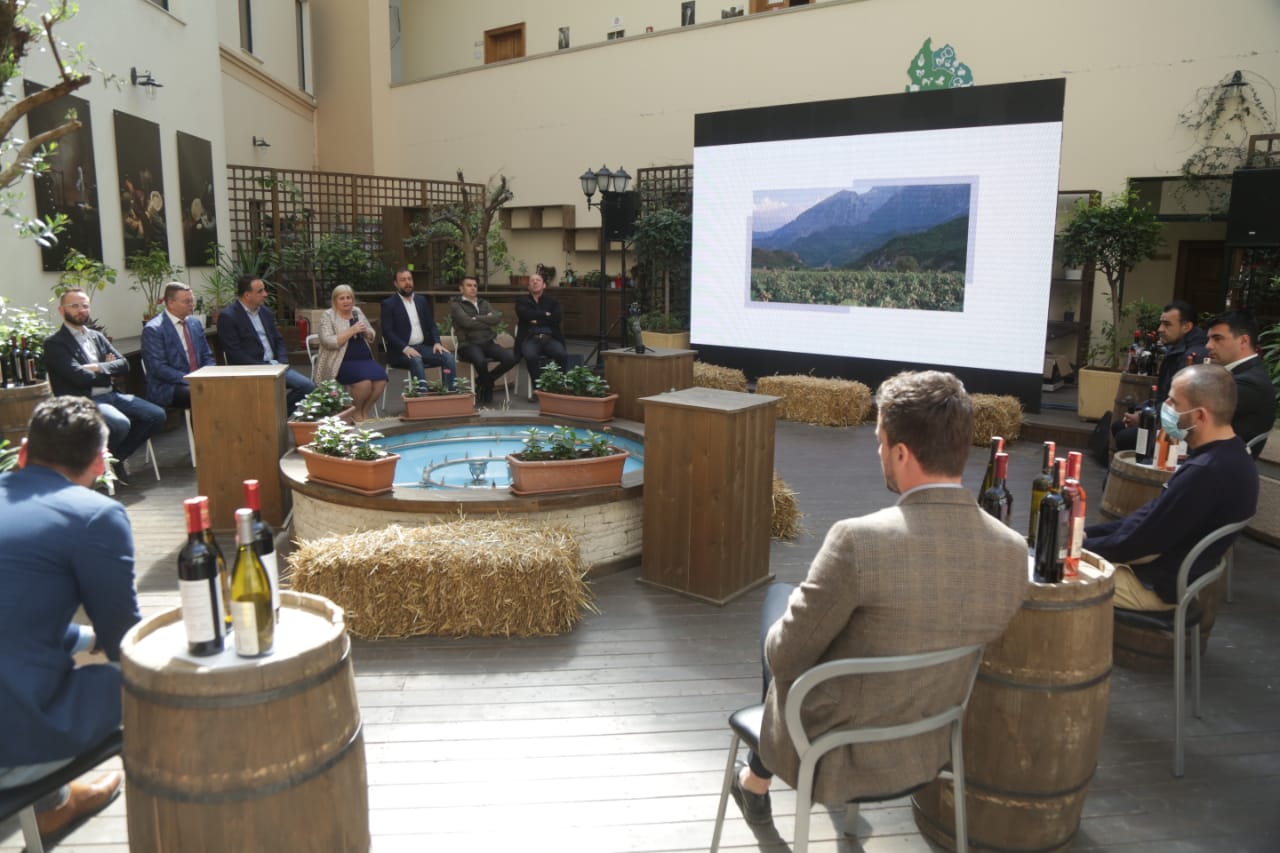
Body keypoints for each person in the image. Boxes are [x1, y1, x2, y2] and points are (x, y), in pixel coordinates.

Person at [729, 371, 1028, 826]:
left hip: (834, 751)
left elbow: (784, 658)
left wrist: (797, 619)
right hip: (930, 745)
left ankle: (756, 780)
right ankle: (755, 780)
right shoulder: (1011, 550)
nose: (878, 453)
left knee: (779, 601)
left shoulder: (858, 541)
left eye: (880, 442)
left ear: (902, 453)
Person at [0, 397, 141, 840]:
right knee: (155, 684)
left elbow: (16, 616)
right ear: (100, 463)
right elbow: (125, 642)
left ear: (24, 452)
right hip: (10, 747)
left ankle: (54, 804)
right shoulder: (94, 516)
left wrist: (83, 638)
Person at [1085, 364, 1259, 611]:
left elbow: (1141, 546)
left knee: (1045, 574)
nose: (1165, 407)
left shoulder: (1205, 473)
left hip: (1152, 586)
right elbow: (1148, 518)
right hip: (1167, 576)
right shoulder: (1233, 452)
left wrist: (1075, 547)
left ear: (1200, 415)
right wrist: (1088, 534)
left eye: (1174, 402)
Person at [42, 288, 165, 480]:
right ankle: (104, 463)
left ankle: (115, 458)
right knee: (120, 424)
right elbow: (78, 377)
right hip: (83, 400)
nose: (81, 310)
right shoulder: (55, 343)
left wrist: (97, 367)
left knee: (156, 415)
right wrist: (108, 370)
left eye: (85, 306)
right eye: (74, 306)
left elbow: (124, 365)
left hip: (111, 394)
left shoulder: (96, 336)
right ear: (61, 310)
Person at [1114, 301, 1208, 452]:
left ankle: (1143, 464)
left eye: (1167, 324)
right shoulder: (1178, 349)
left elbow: (1180, 403)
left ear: (1186, 327)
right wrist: (1141, 410)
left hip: (1180, 431)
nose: (1160, 329)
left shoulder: (1192, 356)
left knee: (1125, 436)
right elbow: (1163, 394)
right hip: (1165, 416)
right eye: (1161, 323)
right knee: (1120, 426)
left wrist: (1145, 417)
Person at [216, 275, 315, 413]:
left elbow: (278, 340)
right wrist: (263, 367)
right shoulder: (229, 316)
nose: (265, 294)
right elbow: (234, 352)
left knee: (308, 387)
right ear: (247, 295)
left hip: (276, 366)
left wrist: (282, 362)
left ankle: (278, 415)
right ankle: (274, 417)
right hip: (250, 369)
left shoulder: (265, 312)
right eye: (260, 291)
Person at [1205, 310, 1276, 457]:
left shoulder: (1249, 382)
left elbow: (1193, 413)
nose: (1208, 345)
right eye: (1209, 339)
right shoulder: (1241, 374)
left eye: (1217, 339)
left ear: (1243, 341)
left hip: (1220, 464)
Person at [315, 284, 387, 421]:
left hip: (364, 358)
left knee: (381, 380)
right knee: (364, 383)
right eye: (342, 298)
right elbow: (327, 341)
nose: (346, 301)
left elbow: (372, 333)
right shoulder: (328, 315)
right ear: (335, 300)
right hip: (340, 360)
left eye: (349, 298)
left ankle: (364, 411)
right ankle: (355, 411)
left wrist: (367, 332)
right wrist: (351, 331)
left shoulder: (357, 311)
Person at [141, 282, 216, 408]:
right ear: (171, 303)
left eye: (192, 300)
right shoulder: (154, 329)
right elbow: (159, 368)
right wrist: (191, 379)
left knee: (228, 387)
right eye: (187, 302)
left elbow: (206, 355)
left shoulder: (195, 323)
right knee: (202, 393)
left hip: (199, 379)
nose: (192, 305)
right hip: (169, 386)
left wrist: (210, 374)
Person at [381, 268, 456, 390]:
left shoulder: (421, 300)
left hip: (423, 347)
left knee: (448, 357)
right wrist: (405, 348)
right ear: (396, 284)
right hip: (401, 351)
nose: (407, 282)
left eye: (409, 279)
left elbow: (431, 325)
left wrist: (437, 342)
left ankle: (450, 392)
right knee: (416, 359)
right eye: (403, 280)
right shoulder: (389, 304)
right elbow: (387, 332)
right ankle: (422, 395)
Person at [450, 275, 517, 405]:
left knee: (511, 358)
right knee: (480, 361)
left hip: (487, 342)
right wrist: (486, 319)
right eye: (469, 285)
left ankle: (484, 381)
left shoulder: (484, 303)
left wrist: (476, 318)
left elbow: (496, 318)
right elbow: (466, 323)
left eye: (475, 286)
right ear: (461, 289)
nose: (473, 288)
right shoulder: (456, 305)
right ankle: (487, 386)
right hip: (468, 344)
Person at [514, 272, 568, 395]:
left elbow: (556, 319)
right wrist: (544, 314)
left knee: (562, 355)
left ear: (544, 285)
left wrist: (535, 320)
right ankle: (538, 388)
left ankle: (558, 386)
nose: (535, 282)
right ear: (529, 286)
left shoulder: (553, 302)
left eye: (538, 280)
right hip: (530, 338)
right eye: (532, 280)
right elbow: (524, 315)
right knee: (531, 357)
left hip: (550, 338)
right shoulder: (522, 301)